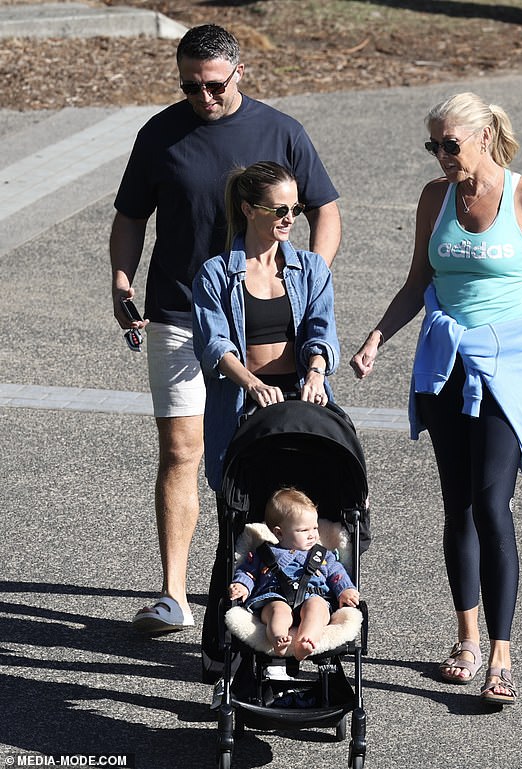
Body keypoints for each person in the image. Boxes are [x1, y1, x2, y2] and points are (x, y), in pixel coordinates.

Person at [350, 92, 522, 706]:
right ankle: (467, 638)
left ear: (484, 137)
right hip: (445, 359)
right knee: (457, 504)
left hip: (509, 360)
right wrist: (377, 337)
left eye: (450, 144)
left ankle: (502, 656)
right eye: (433, 146)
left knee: (491, 502)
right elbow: (417, 282)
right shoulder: (436, 197)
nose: (441, 156)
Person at [109, 23, 341, 636]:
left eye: (213, 85)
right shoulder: (160, 134)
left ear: (239, 73)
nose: (202, 98)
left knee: (269, 454)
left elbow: (326, 211)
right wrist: (121, 280)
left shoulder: (280, 130)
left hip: (261, 318)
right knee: (184, 450)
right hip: (182, 311)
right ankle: (173, 596)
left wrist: (304, 280)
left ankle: (267, 578)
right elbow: (131, 217)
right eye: (190, 86)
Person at [192, 160, 340, 682]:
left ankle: (301, 639)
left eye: (296, 209)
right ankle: (222, 652)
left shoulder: (309, 269)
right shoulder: (216, 273)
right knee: (238, 531)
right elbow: (214, 342)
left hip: (299, 412)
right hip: (242, 415)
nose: (290, 218)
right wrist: (249, 381)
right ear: (249, 209)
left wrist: (317, 370)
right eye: (280, 209)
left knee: (303, 529)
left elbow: (321, 329)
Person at [229, 487, 360, 661]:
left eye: (315, 528)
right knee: (278, 612)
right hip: (274, 596)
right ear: (279, 533)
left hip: (314, 595)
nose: (313, 535)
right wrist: (242, 585)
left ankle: (306, 640)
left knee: (317, 609)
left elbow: (337, 574)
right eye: (304, 531)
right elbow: (248, 571)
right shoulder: (265, 552)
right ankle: (278, 638)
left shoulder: (323, 555)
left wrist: (345, 590)